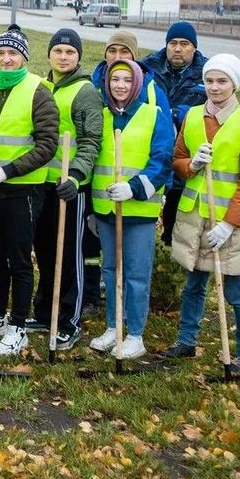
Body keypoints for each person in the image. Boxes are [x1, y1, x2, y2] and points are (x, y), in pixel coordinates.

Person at [162, 54, 240, 374]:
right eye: (209, 80)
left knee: (237, 291)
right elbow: (177, 160)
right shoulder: (193, 116)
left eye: (222, 81)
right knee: (193, 284)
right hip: (196, 219)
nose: (215, 87)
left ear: (235, 84)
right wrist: (191, 165)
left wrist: (229, 225)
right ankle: (186, 341)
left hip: (230, 223)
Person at [0, 24, 58, 356]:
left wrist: (8, 170)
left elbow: (47, 144)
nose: (6, 59)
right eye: (2, 53)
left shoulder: (39, 90)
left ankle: (18, 326)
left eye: (13, 53)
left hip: (23, 190)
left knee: (19, 259)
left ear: (24, 57)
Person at [88, 60, 174, 359]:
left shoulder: (153, 115)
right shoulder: (101, 115)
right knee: (111, 270)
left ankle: (135, 334)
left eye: (127, 80)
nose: (120, 85)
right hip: (106, 208)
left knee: (136, 273)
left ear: (136, 83)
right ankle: (114, 326)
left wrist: (134, 187)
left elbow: (162, 160)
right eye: (115, 80)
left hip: (138, 210)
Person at [26, 29, 101, 351]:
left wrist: (76, 176)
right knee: (44, 251)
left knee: (69, 254)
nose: (63, 56)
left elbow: (91, 140)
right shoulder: (41, 88)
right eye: (58, 50)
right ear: (49, 55)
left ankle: (69, 320)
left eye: (70, 52)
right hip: (40, 183)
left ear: (79, 57)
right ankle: (45, 312)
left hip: (69, 188)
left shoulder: (85, 91)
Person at [141, 21, 207, 245]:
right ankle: (147, 243)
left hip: (186, 148)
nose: (178, 49)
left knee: (177, 202)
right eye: (173, 43)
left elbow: (212, 107)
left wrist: (179, 113)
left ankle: (170, 243)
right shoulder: (148, 68)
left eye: (184, 44)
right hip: (153, 143)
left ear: (194, 48)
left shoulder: (206, 73)